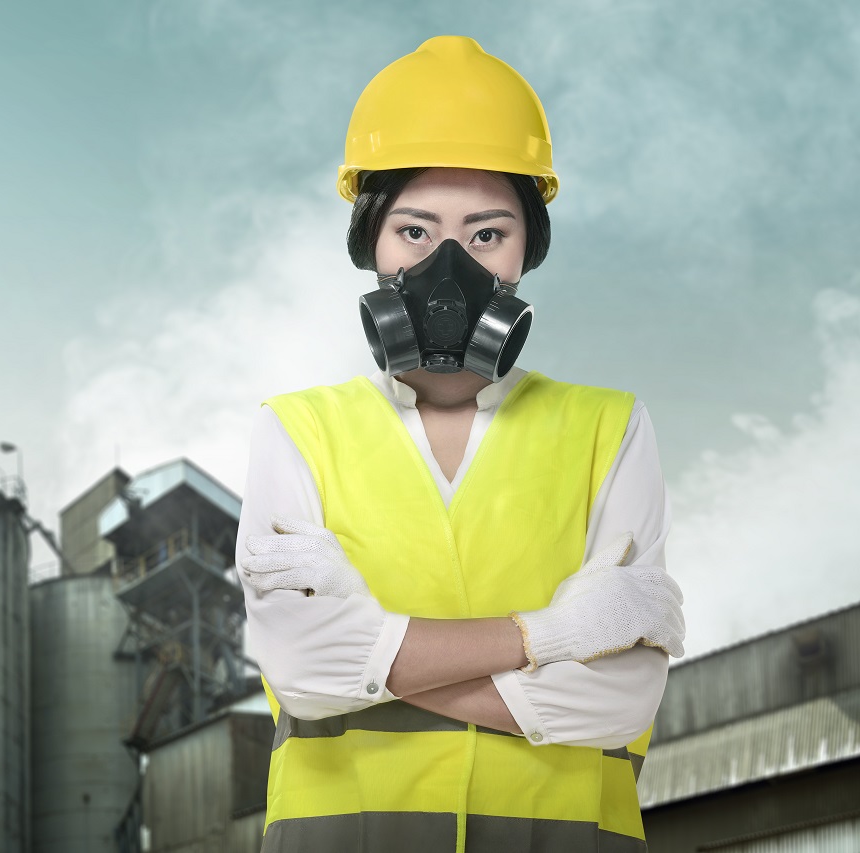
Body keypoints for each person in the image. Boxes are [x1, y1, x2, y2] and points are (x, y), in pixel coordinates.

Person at [235, 36, 685, 853]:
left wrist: (371, 658)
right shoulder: (296, 429)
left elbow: (619, 703)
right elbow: (303, 673)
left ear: (525, 252)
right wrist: (547, 639)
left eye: (486, 236)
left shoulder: (611, 428)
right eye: (414, 230)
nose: (449, 268)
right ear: (369, 244)